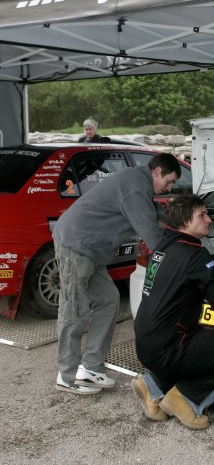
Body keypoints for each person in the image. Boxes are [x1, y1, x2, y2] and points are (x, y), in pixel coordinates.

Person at [133, 194, 214, 430]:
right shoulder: (196, 255)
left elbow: (197, 272)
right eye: (202, 215)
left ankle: (152, 385)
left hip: (146, 346)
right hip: (171, 350)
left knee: (208, 340)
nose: (209, 219)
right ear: (185, 222)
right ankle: (187, 399)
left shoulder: (165, 246)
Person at [53, 152, 182, 395]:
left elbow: (153, 215)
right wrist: (179, 260)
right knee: (74, 310)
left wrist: (180, 223)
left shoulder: (139, 183)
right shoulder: (135, 188)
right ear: (157, 172)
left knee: (108, 300)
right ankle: (67, 376)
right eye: (169, 181)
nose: (170, 187)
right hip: (76, 246)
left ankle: (91, 368)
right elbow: (151, 235)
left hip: (91, 251)